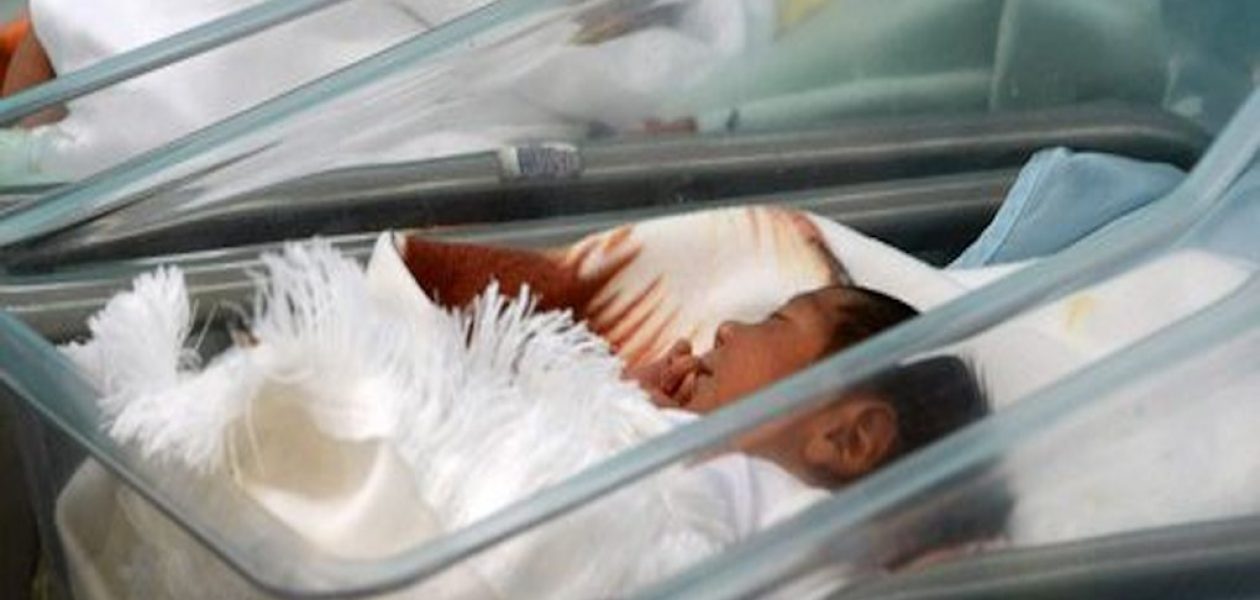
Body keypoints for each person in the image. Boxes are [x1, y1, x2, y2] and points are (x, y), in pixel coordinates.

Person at [397, 232, 991, 491]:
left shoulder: (756, 511)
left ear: (848, 436)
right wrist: (612, 399)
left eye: (776, 322)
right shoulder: (686, 451)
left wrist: (632, 429)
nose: (728, 328)